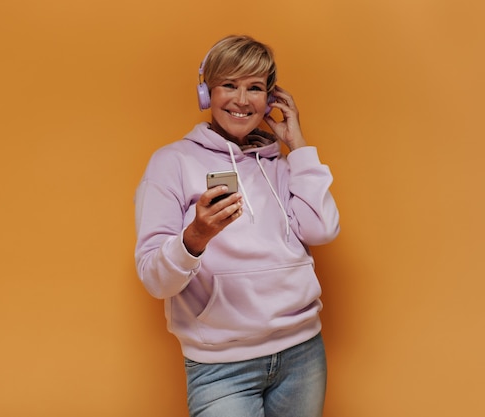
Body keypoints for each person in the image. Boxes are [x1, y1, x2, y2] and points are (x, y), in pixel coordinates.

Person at [134, 35, 340, 417]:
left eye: (255, 88)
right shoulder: (171, 163)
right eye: (229, 85)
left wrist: (299, 148)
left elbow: (322, 230)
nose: (242, 100)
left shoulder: (280, 162)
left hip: (302, 352)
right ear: (206, 93)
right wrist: (196, 237)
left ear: (271, 98)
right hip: (221, 365)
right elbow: (154, 279)